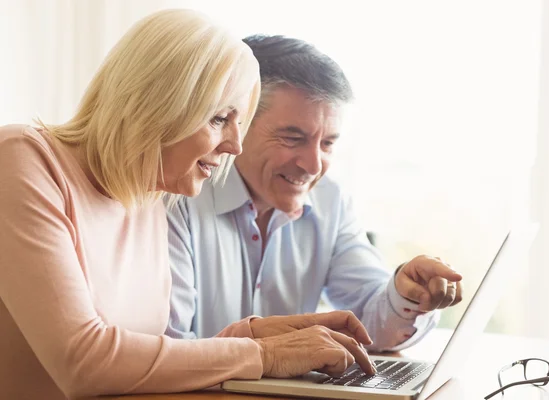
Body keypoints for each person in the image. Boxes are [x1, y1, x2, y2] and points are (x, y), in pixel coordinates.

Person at [0, 11, 377, 400]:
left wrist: (252, 334)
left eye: (239, 123)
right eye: (219, 118)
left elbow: (144, 358)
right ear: (157, 104)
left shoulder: (148, 193)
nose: (235, 145)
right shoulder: (22, 159)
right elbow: (83, 362)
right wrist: (263, 353)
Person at [167, 35, 464, 351]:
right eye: (292, 138)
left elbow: (371, 326)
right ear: (236, 123)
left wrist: (406, 294)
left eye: (328, 144)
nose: (313, 166)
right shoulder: (178, 196)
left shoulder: (330, 200)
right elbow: (168, 346)